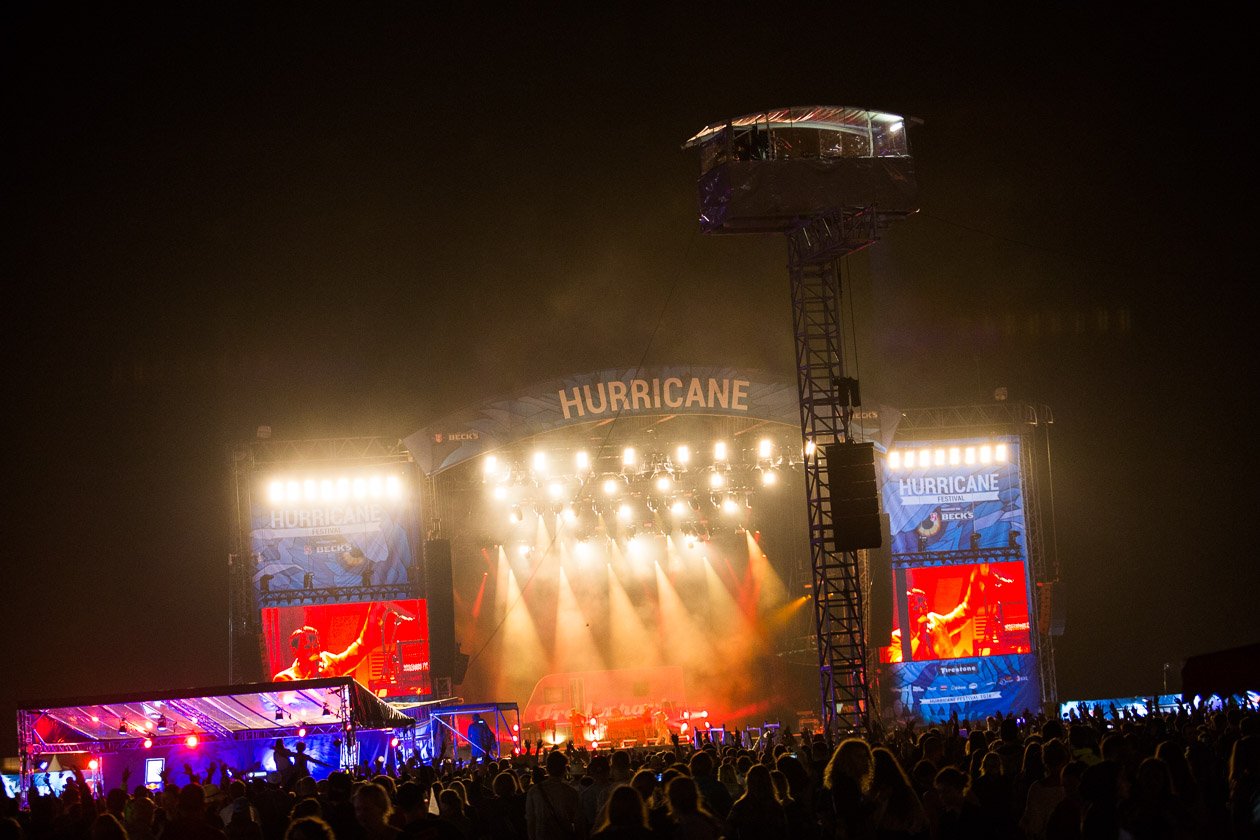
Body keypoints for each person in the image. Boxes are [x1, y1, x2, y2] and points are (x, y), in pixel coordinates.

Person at [273, 603, 386, 681]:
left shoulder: (330, 663)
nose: (314, 651)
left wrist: (374, 614)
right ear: (295, 651)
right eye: (307, 647)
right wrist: (311, 675)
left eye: (317, 646)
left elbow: (361, 647)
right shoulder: (284, 678)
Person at [525, 751, 584, 840]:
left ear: (547, 769)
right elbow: (579, 822)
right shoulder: (570, 792)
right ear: (564, 770)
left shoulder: (534, 792)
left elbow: (531, 821)